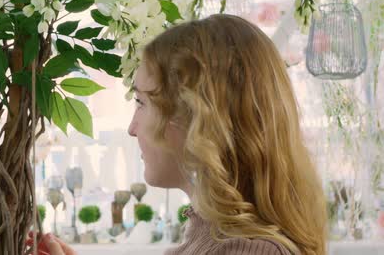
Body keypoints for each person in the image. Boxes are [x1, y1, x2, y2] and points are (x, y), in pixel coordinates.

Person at [27, 14, 327, 255]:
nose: (132, 129)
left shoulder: (249, 251)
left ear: (197, 119)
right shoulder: (210, 237)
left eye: (142, 102)